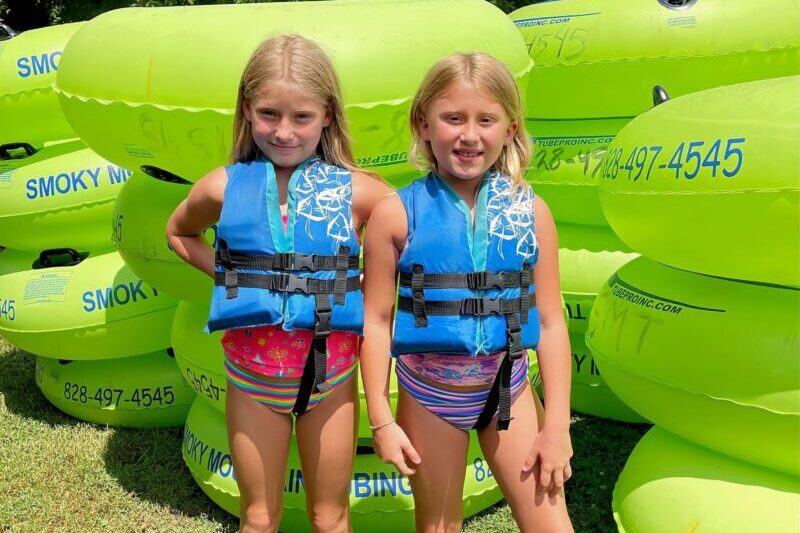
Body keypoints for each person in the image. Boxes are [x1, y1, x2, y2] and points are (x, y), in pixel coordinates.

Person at [166, 34, 392, 533]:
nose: (284, 132)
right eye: (269, 114)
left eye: (301, 117)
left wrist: (371, 291)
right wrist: (232, 278)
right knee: (259, 518)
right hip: (251, 381)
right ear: (246, 110)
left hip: (330, 381)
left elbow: (408, 242)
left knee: (330, 517)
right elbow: (178, 232)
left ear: (328, 115)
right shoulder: (222, 187)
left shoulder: (360, 193)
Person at [360, 52, 574, 532]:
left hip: (509, 390)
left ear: (510, 128)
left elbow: (553, 323)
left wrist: (557, 425)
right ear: (424, 123)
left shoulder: (531, 213)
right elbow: (375, 321)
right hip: (429, 395)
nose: (469, 135)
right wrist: (380, 419)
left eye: (486, 120)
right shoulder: (396, 214)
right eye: (452, 118)